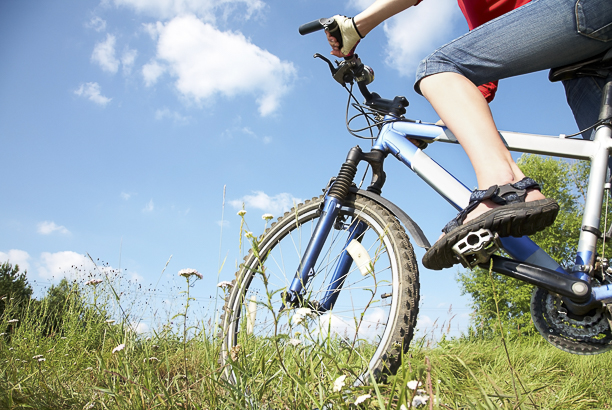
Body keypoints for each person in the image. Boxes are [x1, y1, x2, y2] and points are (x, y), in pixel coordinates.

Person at [324, 0, 612, 270]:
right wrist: (426, 133)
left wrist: (355, 27)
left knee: (437, 68)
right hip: (586, 61)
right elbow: (482, 85)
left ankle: (506, 187)